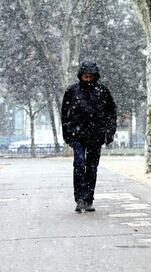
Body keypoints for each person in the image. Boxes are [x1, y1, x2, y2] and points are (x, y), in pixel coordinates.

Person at [61, 61, 117, 213]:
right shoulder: (72, 91)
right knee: (79, 164)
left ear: (95, 76)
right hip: (77, 134)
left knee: (92, 168)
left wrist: (109, 132)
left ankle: (88, 199)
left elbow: (111, 113)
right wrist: (67, 133)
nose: (87, 79)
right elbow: (64, 114)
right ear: (81, 76)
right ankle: (79, 198)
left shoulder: (103, 91)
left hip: (96, 135)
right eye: (85, 76)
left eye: (90, 76)